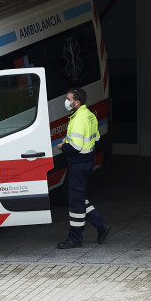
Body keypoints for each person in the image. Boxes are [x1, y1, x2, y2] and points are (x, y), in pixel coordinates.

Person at [57, 87, 111, 249]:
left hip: (78, 162)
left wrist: (62, 146)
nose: (66, 101)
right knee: (78, 197)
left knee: (75, 202)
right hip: (87, 160)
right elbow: (96, 138)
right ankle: (100, 225)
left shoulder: (79, 118)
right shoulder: (90, 115)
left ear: (77, 102)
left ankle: (75, 238)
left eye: (69, 99)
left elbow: (75, 146)